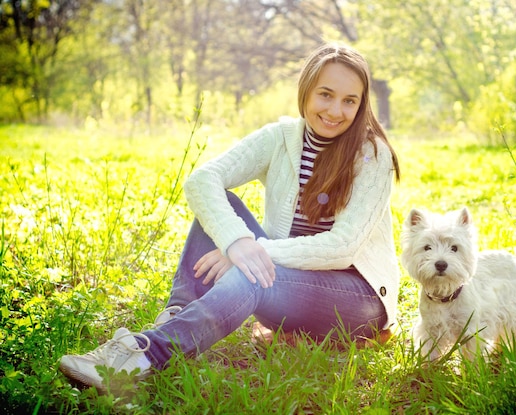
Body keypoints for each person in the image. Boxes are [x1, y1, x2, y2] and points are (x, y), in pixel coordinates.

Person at [59, 42, 402, 392]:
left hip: (357, 301)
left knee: (253, 272)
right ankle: (175, 318)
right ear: (306, 92)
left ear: (362, 105)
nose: (335, 110)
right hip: (288, 286)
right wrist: (236, 242)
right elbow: (203, 180)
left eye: (350, 100)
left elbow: (340, 248)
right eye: (325, 95)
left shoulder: (373, 155)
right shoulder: (279, 138)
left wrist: (253, 251)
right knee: (221, 206)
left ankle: (141, 359)